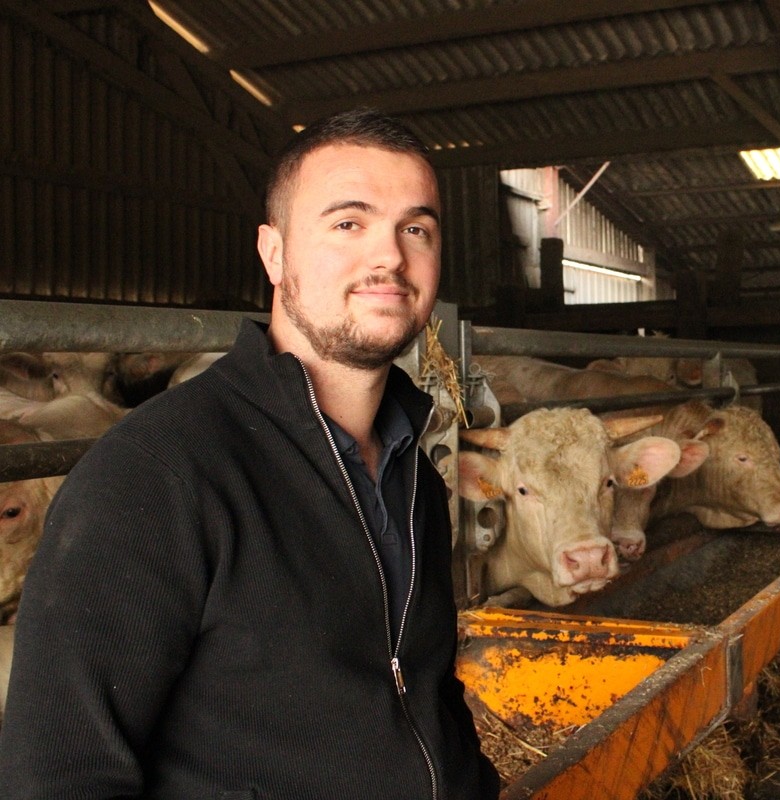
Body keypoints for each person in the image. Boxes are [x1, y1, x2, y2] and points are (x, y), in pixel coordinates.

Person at [0, 108, 500, 799]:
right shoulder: (154, 476)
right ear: (274, 252)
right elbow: (60, 774)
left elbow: (426, 689)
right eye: (348, 223)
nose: (388, 256)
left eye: (415, 228)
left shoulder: (413, 469)